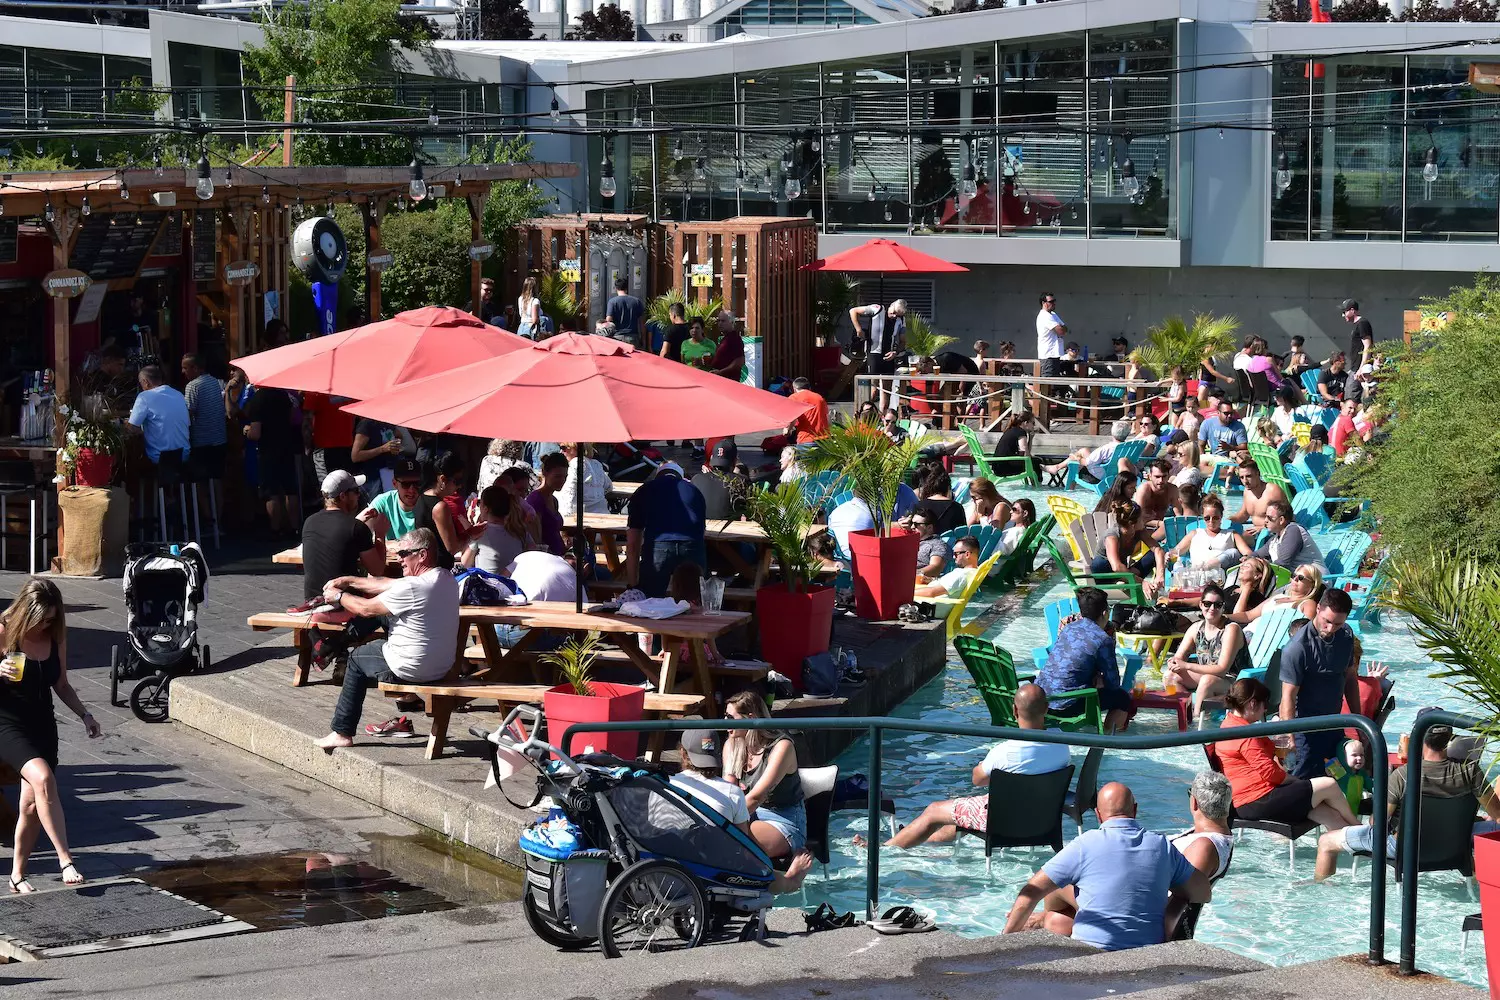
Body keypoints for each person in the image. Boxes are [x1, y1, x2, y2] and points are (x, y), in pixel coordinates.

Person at [1002, 782, 1210, 950]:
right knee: (1061, 895)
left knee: (1056, 884)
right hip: (1146, 952)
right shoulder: (1161, 846)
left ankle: (1045, 920)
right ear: (1135, 810)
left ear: (1098, 815)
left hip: (1090, 951)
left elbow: (1031, 891)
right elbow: (1203, 893)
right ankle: (1049, 919)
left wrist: (1004, 941)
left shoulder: (1084, 845)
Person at [0, 579, 102, 893]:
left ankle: (17, 874)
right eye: (41, 618)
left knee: (30, 806)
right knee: (44, 779)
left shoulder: (54, 635)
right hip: (7, 723)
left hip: (42, 724)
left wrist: (85, 715)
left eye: (51, 618)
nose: (46, 624)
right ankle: (66, 860)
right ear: (25, 612)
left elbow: (61, 685)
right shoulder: (4, 630)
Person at [315, 528, 460, 748]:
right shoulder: (445, 577)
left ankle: (341, 732)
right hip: (442, 666)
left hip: (412, 668)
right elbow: (384, 583)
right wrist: (348, 580)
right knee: (382, 619)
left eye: (403, 554)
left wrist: (339, 596)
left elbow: (364, 609)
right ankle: (336, 644)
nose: (399, 559)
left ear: (422, 555)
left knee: (356, 660)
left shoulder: (413, 587)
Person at [875, 685, 1070, 848]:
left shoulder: (1004, 752)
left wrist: (980, 766)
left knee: (935, 810)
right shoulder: (1062, 744)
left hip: (1002, 821)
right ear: (1046, 708)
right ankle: (918, 842)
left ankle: (885, 850)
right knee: (961, 813)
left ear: (1014, 710)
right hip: (1040, 818)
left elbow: (977, 780)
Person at [1315, 711, 1500, 881]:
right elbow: (1497, 814)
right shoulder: (1470, 771)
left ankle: (1321, 891)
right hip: (1456, 843)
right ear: (1449, 738)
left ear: (1419, 738)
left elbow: (1377, 823)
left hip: (1406, 847)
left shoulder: (1404, 775)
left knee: (1326, 842)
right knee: (1491, 826)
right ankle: (1481, 881)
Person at [672, 730, 813, 893]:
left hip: (673, 867)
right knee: (746, 861)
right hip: (716, 866)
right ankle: (792, 882)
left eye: (731, 718)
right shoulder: (730, 793)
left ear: (682, 753)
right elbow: (742, 849)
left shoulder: (667, 786)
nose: (728, 725)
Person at [1217, 677, 1359, 830]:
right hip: (1257, 800)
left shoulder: (1230, 725)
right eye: (1264, 704)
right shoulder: (1244, 735)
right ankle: (1363, 830)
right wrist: (1294, 780)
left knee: (1330, 815)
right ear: (1252, 703)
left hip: (1247, 800)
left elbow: (1265, 753)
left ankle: (1359, 845)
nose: (1265, 709)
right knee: (1328, 784)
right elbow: (1270, 773)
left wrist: (1278, 744)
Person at [1279, 589, 1359, 779]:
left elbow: (1350, 679)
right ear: (1318, 609)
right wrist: (1289, 738)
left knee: (1337, 779)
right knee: (1302, 785)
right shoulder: (1297, 648)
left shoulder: (1346, 636)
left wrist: (1359, 722)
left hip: (1333, 725)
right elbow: (1287, 697)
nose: (1331, 628)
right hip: (1304, 732)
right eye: (1327, 621)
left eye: (1338, 623)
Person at [721, 691, 805, 859]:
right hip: (746, 814)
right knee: (724, 839)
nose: (724, 722)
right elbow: (728, 792)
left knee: (735, 843)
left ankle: (791, 881)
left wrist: (721, 821)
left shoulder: (782, 747)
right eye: (724, 716)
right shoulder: (732, 745)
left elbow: (756, 797)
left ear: (750, 718)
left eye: (730, 717)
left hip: (782, 818)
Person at [1037, 587, 1130, 732]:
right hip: (1066, 705)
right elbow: (1113, 683)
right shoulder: (1102, 639)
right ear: (1105, 613)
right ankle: (1108, 740)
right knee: (1122, 698)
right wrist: (1099, 680)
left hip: (1042, 699)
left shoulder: (1069, 628)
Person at [1163, 584, 1251, 718]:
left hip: (1235, 682)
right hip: (1207, 676)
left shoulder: (1230, 629)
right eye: (1207, 604)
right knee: (1169, 676)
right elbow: (1178, 657)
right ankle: (1185, 716)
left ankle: (1199, 723)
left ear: (1223, 607)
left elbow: (1222, 669)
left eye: (1217, 604)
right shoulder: (1196, 628)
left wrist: (1186, 665)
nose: (1212, 608)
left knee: (1207, 681)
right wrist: (1173, 663)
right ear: (1200, 605)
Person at [301, 471, 386, 601]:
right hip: (343, 603)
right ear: (343, 496)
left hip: (312, 602)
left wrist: (357, 521)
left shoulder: (309, 522)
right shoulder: (355, 528)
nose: (359, 495)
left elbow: (337, 532)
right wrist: (380, 533)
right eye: (356, 491)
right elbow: (377, 570)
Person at [626, 462, 706, 598]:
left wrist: (633, 585)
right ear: (680, 476)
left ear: (658, 475)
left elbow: (633, 544)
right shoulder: (694, 490)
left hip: (658, 546)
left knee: (651, 600)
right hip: (691, 545)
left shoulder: (644, 490)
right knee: (693, 601)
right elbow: (701, 531)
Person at [242, 382, 300, 536]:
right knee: (290, 490)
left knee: (271, 492)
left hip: (268, 449)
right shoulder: (283, 395)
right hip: (287, 445)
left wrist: (246, 431)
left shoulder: (258, 399)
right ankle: (294, 528)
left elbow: (255, 433)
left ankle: (275, 530)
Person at [1092, 500, 1165, 600]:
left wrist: (1160, 575)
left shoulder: (1139, 531)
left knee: (1152, 556)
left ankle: (1126, 580)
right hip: (1107, 574)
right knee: (1099, 562)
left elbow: (1157, 549)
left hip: (1126, 572)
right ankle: (1124, 580)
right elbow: (1116, 566)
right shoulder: (1112, 536)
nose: (1144, 520)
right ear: (1132, 524)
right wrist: (1142, 582)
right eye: (1141, 518)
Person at [127, 364, 191, 468]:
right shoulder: (178, 394)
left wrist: (128, 424)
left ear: (145, 382)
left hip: (160, 458)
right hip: (183, 455)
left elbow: (132, 428)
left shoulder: (144, 397)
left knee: (131, 462)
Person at [1167, 495, 1251, 573]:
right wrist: (1168, 556)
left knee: (1233, 552)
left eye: (1215, 518)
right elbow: (1176, 551)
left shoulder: (1232, 534)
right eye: (1207, 518)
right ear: (1202, 517)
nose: (1211, 521)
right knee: (1177, 565)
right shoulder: (1194, 534)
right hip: (1196, 576)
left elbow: (1248, 553)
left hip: (1219, 578)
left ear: (1221, 516)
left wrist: (1246, 558)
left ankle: (1206, 567)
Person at [413, 451, 465, 569]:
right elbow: (452, 548)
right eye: (457, 481)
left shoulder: (421, 497)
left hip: (423, 567)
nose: (460, 486)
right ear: (442, 479)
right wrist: (471, 535)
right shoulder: (440, 507)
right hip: (438, 570)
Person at [850, 299, 906, 407]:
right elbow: (853, 311)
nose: (894, 316)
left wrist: (895, 352)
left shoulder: (901, 320)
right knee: (873, 389)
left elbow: (903, 341)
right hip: (874, 353)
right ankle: (865, 413)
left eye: (897, 315)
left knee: (887, 390)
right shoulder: (877, 309)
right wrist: (859, 329)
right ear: (891, 306)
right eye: (893, 312)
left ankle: (884, 417)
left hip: (889, 355)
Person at [180, 353, 226, 482]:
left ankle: (203, 503)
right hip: (219, 439)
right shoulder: (215, 381)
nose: (182, 371)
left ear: (195, 368)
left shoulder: (193, 386)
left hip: (202, 442)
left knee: (201, 483)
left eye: (185, 368)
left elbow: (187, 414)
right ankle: (218, 503)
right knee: (217, 480)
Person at [463, 485, 529, 574]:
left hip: (488, 584)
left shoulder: (481, 531)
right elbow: (533, 549)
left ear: (485, 509)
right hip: (514, 584)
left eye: (480, 503)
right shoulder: (520, 530)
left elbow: (465, 563)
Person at [1254, 499, 1326, 575]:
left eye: (1269, 517)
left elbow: (1282, 563)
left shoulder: (1293, 531)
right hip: (1298, 581)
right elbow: (1258, 554)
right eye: (1265, 516)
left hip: (1315, 581)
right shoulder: (1275, 539)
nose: (1265, 520)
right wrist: (1248, 559)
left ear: (1281, 520)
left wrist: (1258, 568)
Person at [361, 458, 423, 543]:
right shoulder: (384, 502)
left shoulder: (427, 503)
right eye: (406, 484)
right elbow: (359, 529)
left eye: (416, 483)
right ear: (395, 484)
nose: (411, 490)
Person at [350, 416, 408, 497]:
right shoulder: (366, 424)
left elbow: (398, 435)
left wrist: (396, 445)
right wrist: (382, 449)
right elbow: (355, 456)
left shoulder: (386, 420)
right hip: (375, 476)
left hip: (392, 472)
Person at [1228, 458, 1288, 534]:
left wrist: (1263, 528)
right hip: (1256, 533)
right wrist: (1227, 520)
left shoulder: (1272, 491)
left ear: (1258, 474)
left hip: (1271, 533)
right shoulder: (1247, 491)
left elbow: (1287, 518)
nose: (1245, 481)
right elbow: (1244, 515)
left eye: (1249, 476)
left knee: (1234, 537)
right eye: (1242, 477)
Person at [692, 441, 748, 521]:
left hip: (700, 530)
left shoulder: (696, 479)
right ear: (735, 461)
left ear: (711, 458)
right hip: (730, 531)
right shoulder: (741, 481)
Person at [527, 452, 569, 556]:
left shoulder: (554, 500)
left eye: (565, 476)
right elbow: (536, 540)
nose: (562, 481)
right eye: (557, 476)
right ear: (545, 473)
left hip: (559, 555)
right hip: (547, 558)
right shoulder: (536, 500)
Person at [555, 443, 612, 518]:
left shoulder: (574, 464)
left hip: (582, 518)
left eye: (564, 448)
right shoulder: (596, 464)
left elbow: (568, 496)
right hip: (603, 515)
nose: (561, 452)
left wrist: (563, 522)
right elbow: (609, 487)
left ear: (576, 448)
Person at [915, 535, 981, 598]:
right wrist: (931, 580)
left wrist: (907, 594)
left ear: (967, 554)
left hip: (922, 604)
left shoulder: (962, 575)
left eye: (956, 554)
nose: (953, 557)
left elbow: (931, 593)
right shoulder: (971, 573)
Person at [1133, 459, 1179, 535]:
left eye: (1164, 476)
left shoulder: (1172, 489)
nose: (1161, 480)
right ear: (1150, 476)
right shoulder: (1144, 490)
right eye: (1157, 477)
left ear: (1168, 476)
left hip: (1160, 528)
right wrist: (1160, 523)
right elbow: (1138, 518)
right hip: (1141, 529)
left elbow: (1178, 514)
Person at [993, 410, 1038, 480]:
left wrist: (1031, 438)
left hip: (998, 466)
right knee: (1036, 462)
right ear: (1026, 423)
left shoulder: (1011, 430)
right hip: (1005, 468)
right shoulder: (1020, 432)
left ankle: (1047, 471)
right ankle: (1038, 487)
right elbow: (1026, 454)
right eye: (1033, 423)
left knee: (1034, 461)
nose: (1034, 426)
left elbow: (1025, 454)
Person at [785, 377, 830, 443]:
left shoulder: (794, 397)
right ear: (809, 388)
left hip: (806, 438)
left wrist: (787, 430)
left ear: (794, 389)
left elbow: (792, 418)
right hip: (824, 439)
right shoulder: (819, 398)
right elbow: (827, 417)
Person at [910, 509, 952, 579]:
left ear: (929, 527)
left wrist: (911, 574)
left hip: (918, 581)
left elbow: (935, 567)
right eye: (911, 523)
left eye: (916, 524)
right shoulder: (909, 542)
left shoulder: (937, 544)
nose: (912, 527)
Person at [605, 277, 644, 347]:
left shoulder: (612, 302)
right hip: (633, 337)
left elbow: (609, 320)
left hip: (617, 338)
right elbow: (641, 322)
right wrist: (643, 338)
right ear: (627, 288)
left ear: (616, 288)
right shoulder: (636, 301)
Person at [1036, 293, 1066, 378]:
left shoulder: (1053, 314)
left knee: (1055, 385)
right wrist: (1060, 327)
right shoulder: (1044, 316)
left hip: (1055, 354)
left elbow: (1065, 329)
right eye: (1051, 301)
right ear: (1043, 303)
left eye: (1054, 301)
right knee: (1047, 383)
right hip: (1047, 356)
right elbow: (1061, 331)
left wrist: (1061, 327)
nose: (1054, 303)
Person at [710, 311, 746, 381]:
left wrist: (721, 372)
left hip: (729, 381)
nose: (720, 323)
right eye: (718, 321)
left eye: (723, 321)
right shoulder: (725, 338)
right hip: (720, 379)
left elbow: (740, 361)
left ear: (731, 322)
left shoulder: (735, 338)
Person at [1342, 299, 1374, 372]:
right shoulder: (1357, 324)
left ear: (1352, 311)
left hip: (1360, 369)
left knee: (1351, 384)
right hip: (1355, 368)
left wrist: (1361, 368)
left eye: (1345, 312)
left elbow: (1368, 346)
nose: (1343, 315)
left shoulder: (1362, 323)